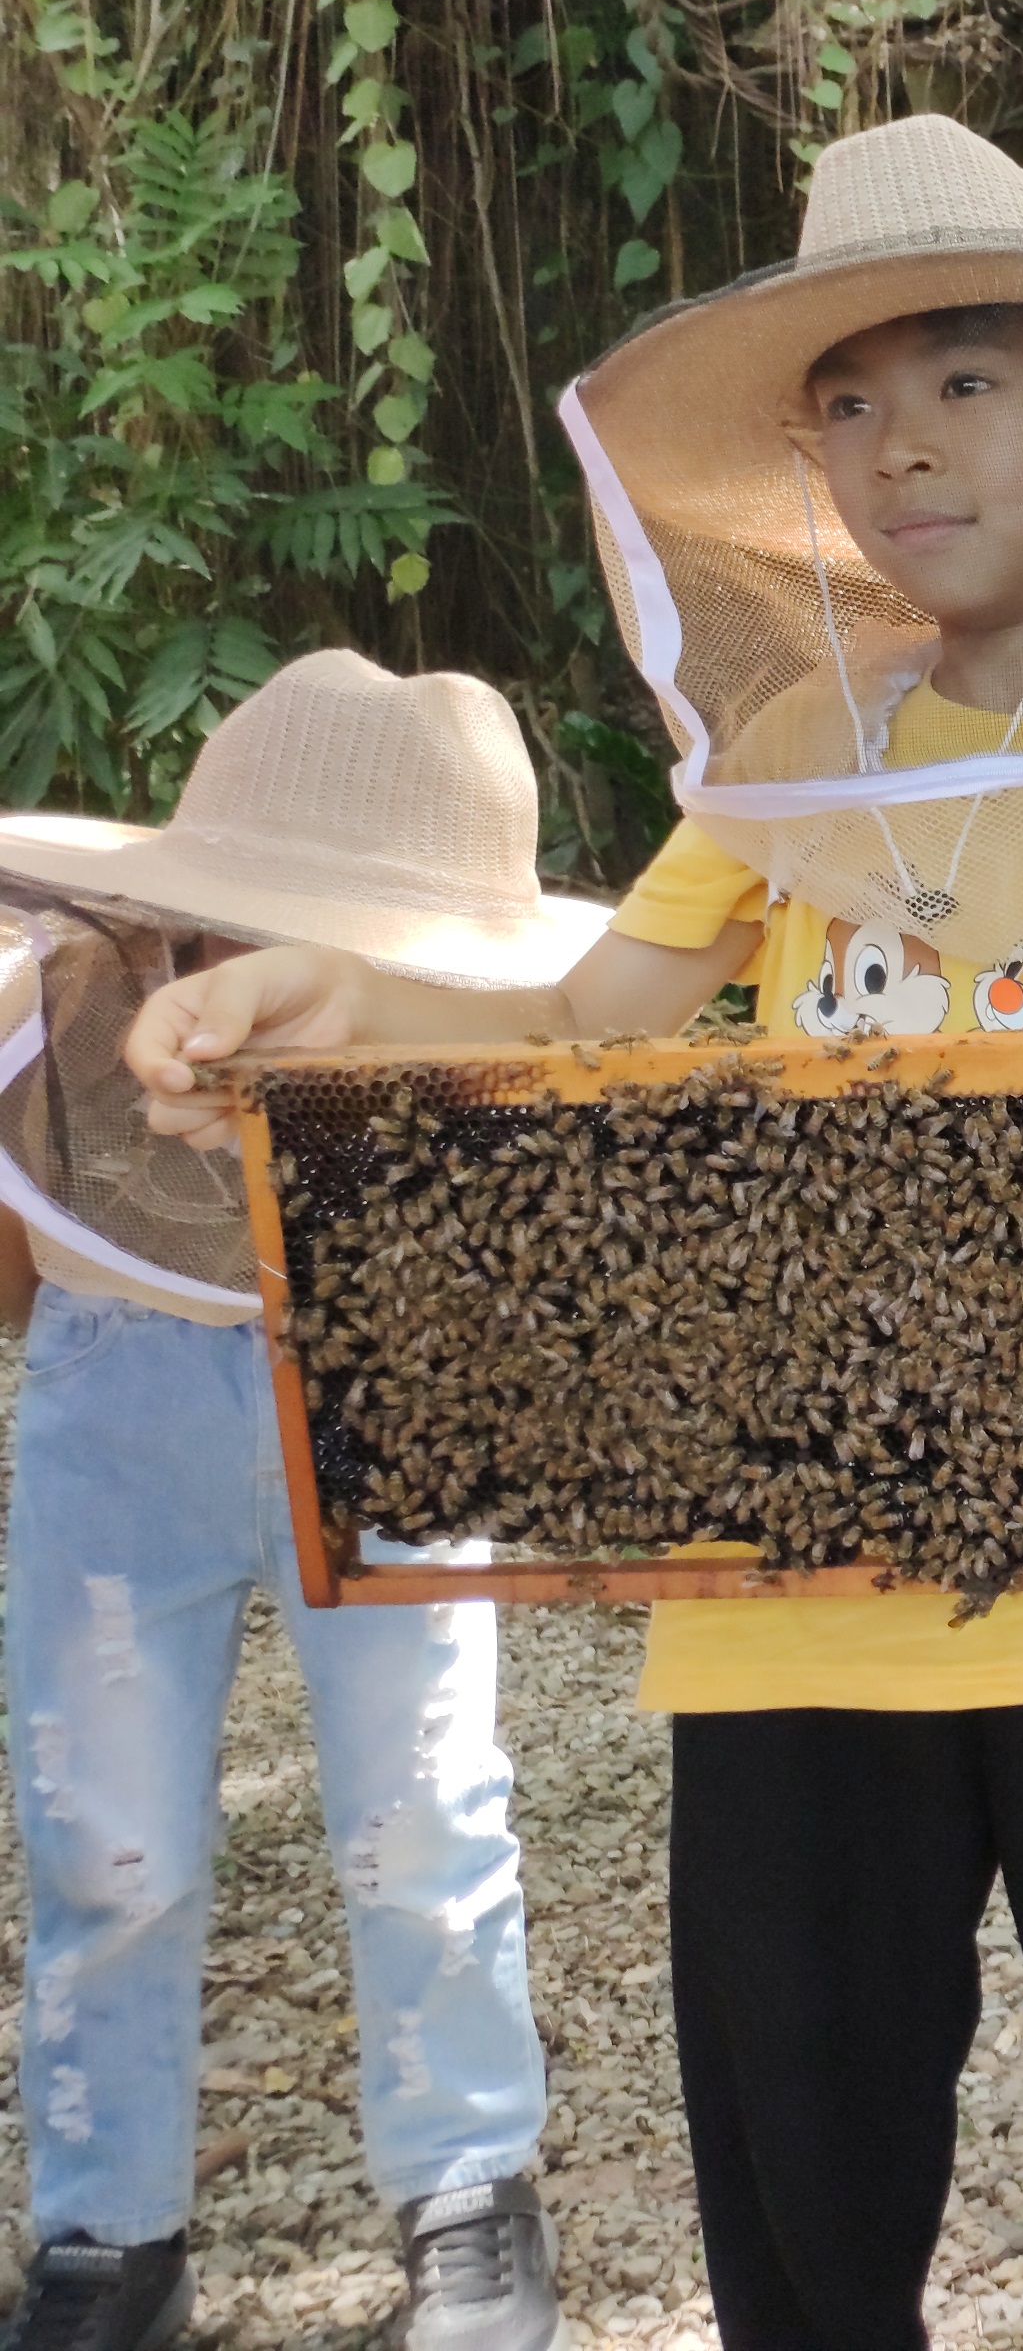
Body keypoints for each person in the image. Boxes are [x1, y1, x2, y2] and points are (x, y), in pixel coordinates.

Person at [126, 118, 1023, 2351]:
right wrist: (339, 1015)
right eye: (851, 404)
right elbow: (588, 1025)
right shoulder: (797, 757)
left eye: (966, 381)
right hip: (790, 1609)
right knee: (804, 2211)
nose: (898, 450)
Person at [0, 655, 593, 2351]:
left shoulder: (472, 1040)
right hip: (123, 1409)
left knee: (427, 1824)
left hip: (391, 1393)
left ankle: (472, 2199)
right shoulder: (53, 1007)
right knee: (102, 1840)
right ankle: (108, 2238)